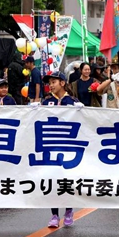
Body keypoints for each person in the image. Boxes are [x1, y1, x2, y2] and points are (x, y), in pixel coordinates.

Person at [37, 72, 80, 227]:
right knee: (52, 179)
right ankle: (54, 214)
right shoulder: (47, 101)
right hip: (50, 145)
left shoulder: (72, 101)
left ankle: (69, 210)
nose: (51, 85)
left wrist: (81, 111)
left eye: (54, 82)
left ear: (62, 83)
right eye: (50, 82)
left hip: (67, 146)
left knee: (66, 179)